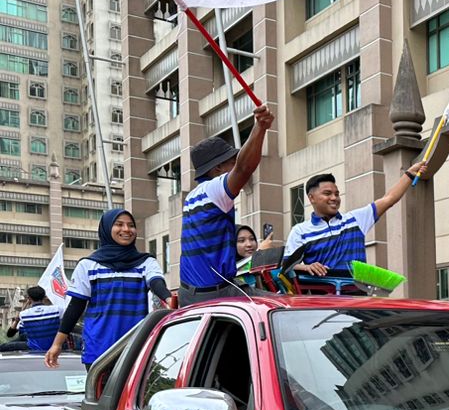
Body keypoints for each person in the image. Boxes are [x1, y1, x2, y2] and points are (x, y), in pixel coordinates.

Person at [46, 209, 170, 368]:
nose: (126, 229)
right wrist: (57, 344)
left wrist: (167, 297)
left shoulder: (146, 262)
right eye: (119, 225)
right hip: (98, 350)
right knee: (100, 393)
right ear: (106, 229)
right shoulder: (88, 265)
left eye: (131, 225)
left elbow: (156, 282)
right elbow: (75, 308)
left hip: (136, 348)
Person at [180, 104, 274, 304]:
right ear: (218, 168)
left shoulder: (192, 197)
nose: (235, 165)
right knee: (281, 306)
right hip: (213, 294)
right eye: (232, 161)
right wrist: (260, 127)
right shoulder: (214, 190)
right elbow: (244, 168)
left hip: (190, 292)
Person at [285, 163, 428, 278]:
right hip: (322, 303)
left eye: (336, 194)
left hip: (357, 299)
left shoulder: (354, 219)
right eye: (327, 194)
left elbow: (388, 199)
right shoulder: (300, 231)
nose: (334, 198)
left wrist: (408, 174)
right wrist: (307, 267)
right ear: (311, 198)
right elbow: (285, 266)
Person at [5, 286, 60, 353]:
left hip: (33, 346)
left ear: (29, 299)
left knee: (6, 345)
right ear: (44, 297)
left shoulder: (24, 315)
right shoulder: (57, 310)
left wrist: (17, 320)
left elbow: (10, 334)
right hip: (52, 345)